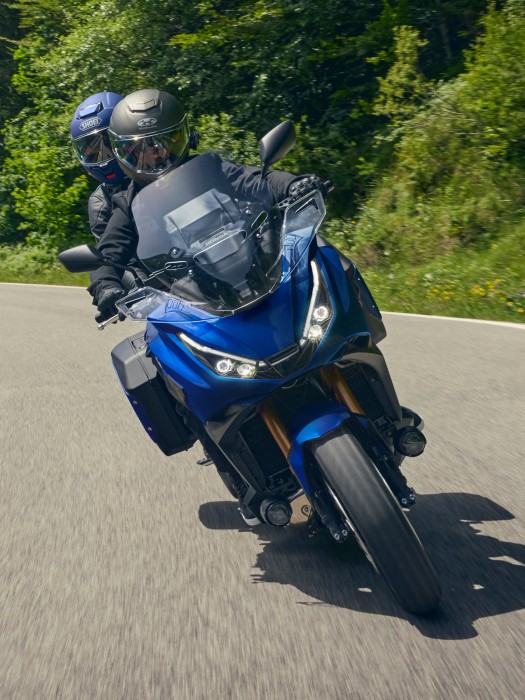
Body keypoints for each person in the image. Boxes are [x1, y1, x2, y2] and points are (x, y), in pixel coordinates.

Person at [88, 88, 326, 321]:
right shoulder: (129, 204)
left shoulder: (211, 168)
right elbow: (108, 253)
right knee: (157, 341)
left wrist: (294, 185)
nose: (157, 153)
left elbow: (255, 180)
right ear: (124, 153)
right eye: (141, 148)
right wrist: (106, 286)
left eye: (165, 141)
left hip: (255, 265)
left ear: (184, 137)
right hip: (188, 302)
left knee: (321, 255)